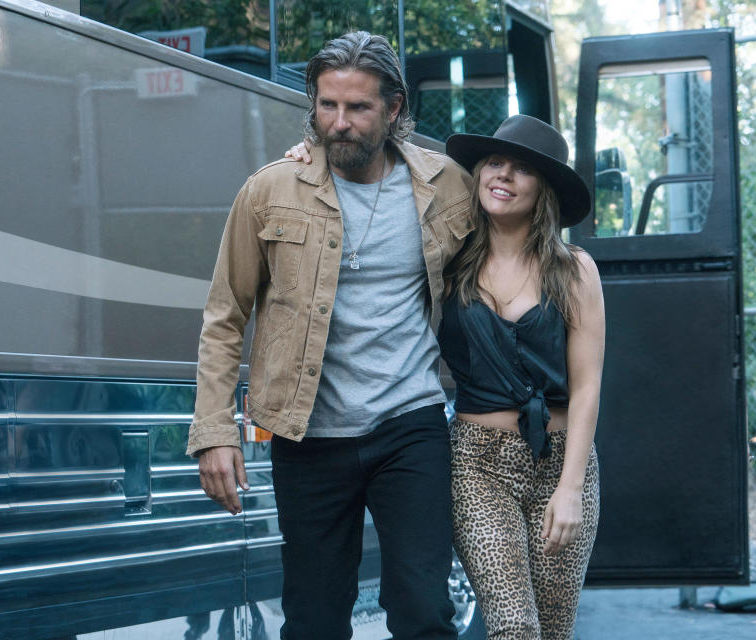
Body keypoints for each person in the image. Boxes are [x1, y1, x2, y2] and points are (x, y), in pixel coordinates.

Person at [188, 31, 473, 640]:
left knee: (425, 611)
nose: (338, 123)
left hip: (410, 426)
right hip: (307, 433)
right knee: (314, 620)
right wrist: (215, 431)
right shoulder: (270, 190)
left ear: (394, 109)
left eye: (357, 108)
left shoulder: (446, 185)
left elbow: (508, 255)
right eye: (326, 106)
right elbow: (225, 314)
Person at [438, 114, 604, 639]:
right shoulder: (448, 257)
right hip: (477, 461)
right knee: (513, 626)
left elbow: (587, 386)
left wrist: (571, 487)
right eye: (494, 162)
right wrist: (309, 154)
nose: (502, 175)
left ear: (544, 189)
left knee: (553, 631)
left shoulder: (574, 268)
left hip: (562, 463)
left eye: (522, 169)